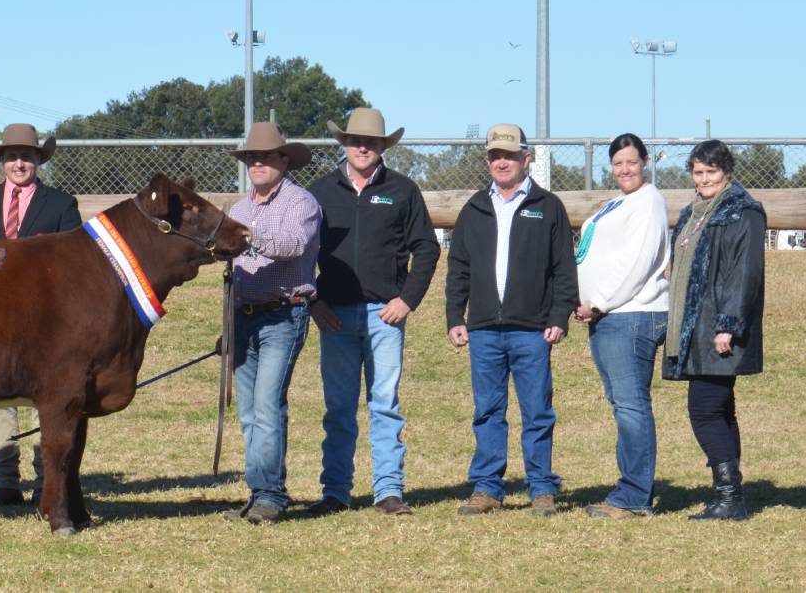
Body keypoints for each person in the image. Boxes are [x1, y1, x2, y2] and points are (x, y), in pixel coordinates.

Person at [306, 108, 439, 516]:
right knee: (339, 407)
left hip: (385, 315)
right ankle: (336, 491)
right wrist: (315, 302)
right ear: (343, 143)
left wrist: (407, 300)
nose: (362, 147)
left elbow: (427, 249)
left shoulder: (402, 190)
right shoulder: (320, 192)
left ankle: (388, 491)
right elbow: (300, 253)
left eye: (371, 142)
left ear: (383, 146)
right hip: (336, 316)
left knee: (384, 404)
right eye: (354, 140)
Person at [445, 123, 577, 517]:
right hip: (484, 329)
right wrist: (456, 315)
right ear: (488, 160)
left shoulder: (547, 206)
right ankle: (487, 488)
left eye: (509, 155)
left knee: (537, 411)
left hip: (532, 329)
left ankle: (541, 489)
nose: (501, 162)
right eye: (494, 155)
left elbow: (564, 268)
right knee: (487, 411)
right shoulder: (474, 207)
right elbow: (459, 267)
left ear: (526, 158)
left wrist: (559, 315)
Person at [0, 123, 81, 507]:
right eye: (12, 156)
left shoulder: (61, 205)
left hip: (45, 320)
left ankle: (48, 480)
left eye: (27, 156)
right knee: (0, 399)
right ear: (2, 161)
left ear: (38, 160)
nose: (19, 163)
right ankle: (6, 481)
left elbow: (73, 264)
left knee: (46, 399)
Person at [220, 122, 321, 525]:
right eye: (250, 158)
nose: (256, 163)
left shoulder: (301, 202)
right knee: (248, 411)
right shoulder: (239, 209)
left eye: (265, 157)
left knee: (266, 405)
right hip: (242, 318)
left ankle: (271, 495)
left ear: (284, 160)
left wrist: (247, 237)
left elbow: (295, 245)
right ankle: (259, 491)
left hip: (284, 314)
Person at [663, 139, 765, 521]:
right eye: (698, 172)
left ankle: (729, 497)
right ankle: (729, 494)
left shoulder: (742, 212)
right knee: (720, 410)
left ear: (727, 172)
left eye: (711, 171)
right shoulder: (695, 211)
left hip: (718, 329)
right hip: (695, 328)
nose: (704, 178)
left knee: (704, 410)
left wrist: (728, 325)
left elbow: (744, 274)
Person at [573, 133, 669, 519]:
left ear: (645, 161)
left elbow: (637, 263)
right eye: (617, 164)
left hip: (631, 314)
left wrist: (599, 301)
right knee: (623, 404)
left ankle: (633, 497)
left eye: (631, 161)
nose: (624, 169)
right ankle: (631, 491)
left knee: (631, 407)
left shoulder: (648, 203)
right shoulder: (619, 203)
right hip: (609, 317)